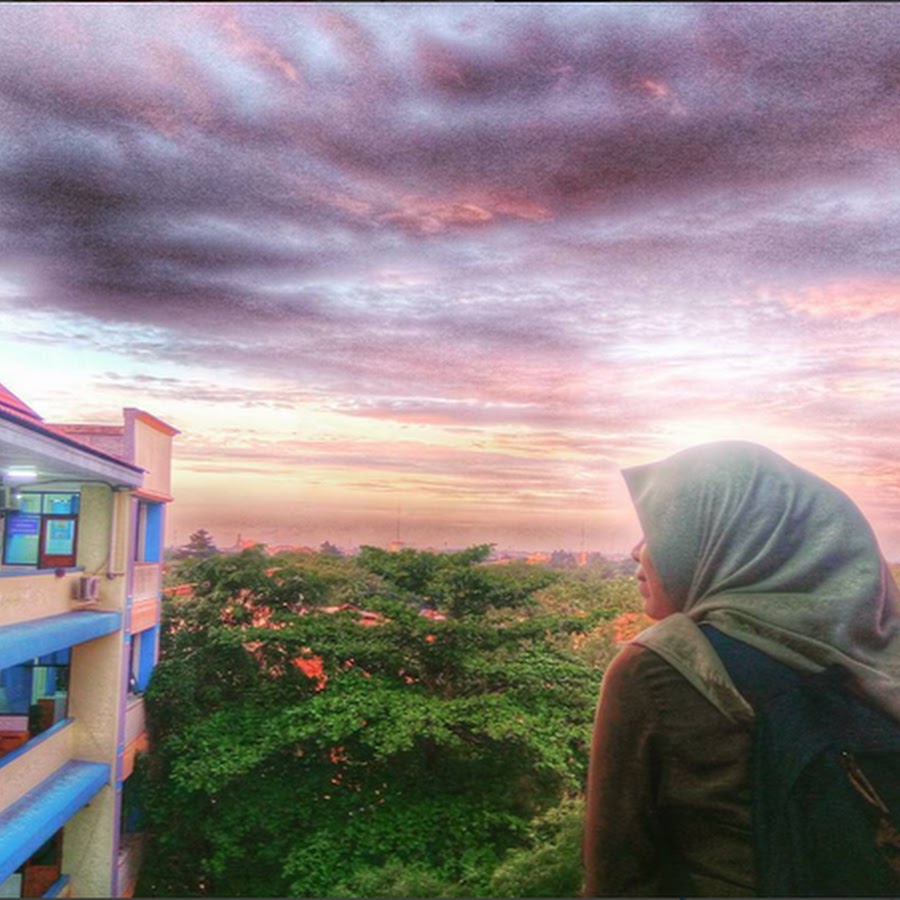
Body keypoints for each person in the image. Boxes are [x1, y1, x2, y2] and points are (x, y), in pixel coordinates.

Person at [582, 440, 900, 897]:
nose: (636, 551)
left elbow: (617, 879)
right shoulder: (877, 656)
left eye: (658, 528)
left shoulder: (657, 668)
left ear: (726, 540)